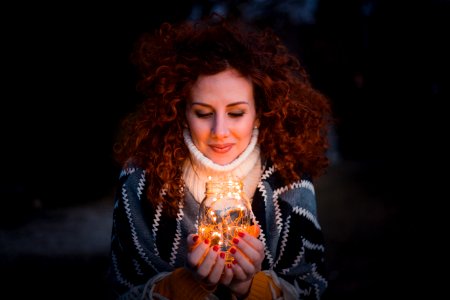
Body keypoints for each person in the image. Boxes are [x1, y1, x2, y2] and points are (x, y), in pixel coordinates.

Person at [107, 13, 332, 300]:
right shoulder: (140, 182)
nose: (220, 131)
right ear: (182, 112)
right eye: (203, 113)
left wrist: (252, 288)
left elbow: (314, 289)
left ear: (260, 113)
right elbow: (121, 290)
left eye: (236, 113)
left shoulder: (291, 183)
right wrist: (181, 286)